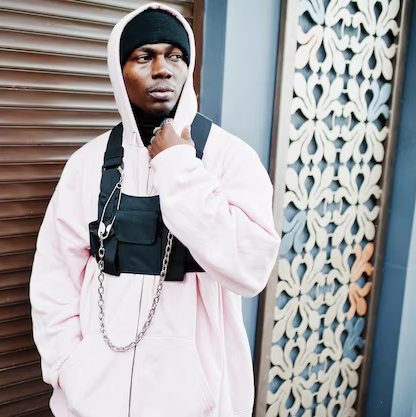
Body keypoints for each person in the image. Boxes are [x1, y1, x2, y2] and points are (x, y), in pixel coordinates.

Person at [30, 3, 281, 416]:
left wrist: (179, 166)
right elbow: (54, 277)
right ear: (119, 69)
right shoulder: (87, 163)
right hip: (94, 399)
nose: (163, 68)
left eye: (175, 55)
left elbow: (250, 267)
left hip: (194, 402)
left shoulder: (229, 158)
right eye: (144, 56)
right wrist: (68, 369)